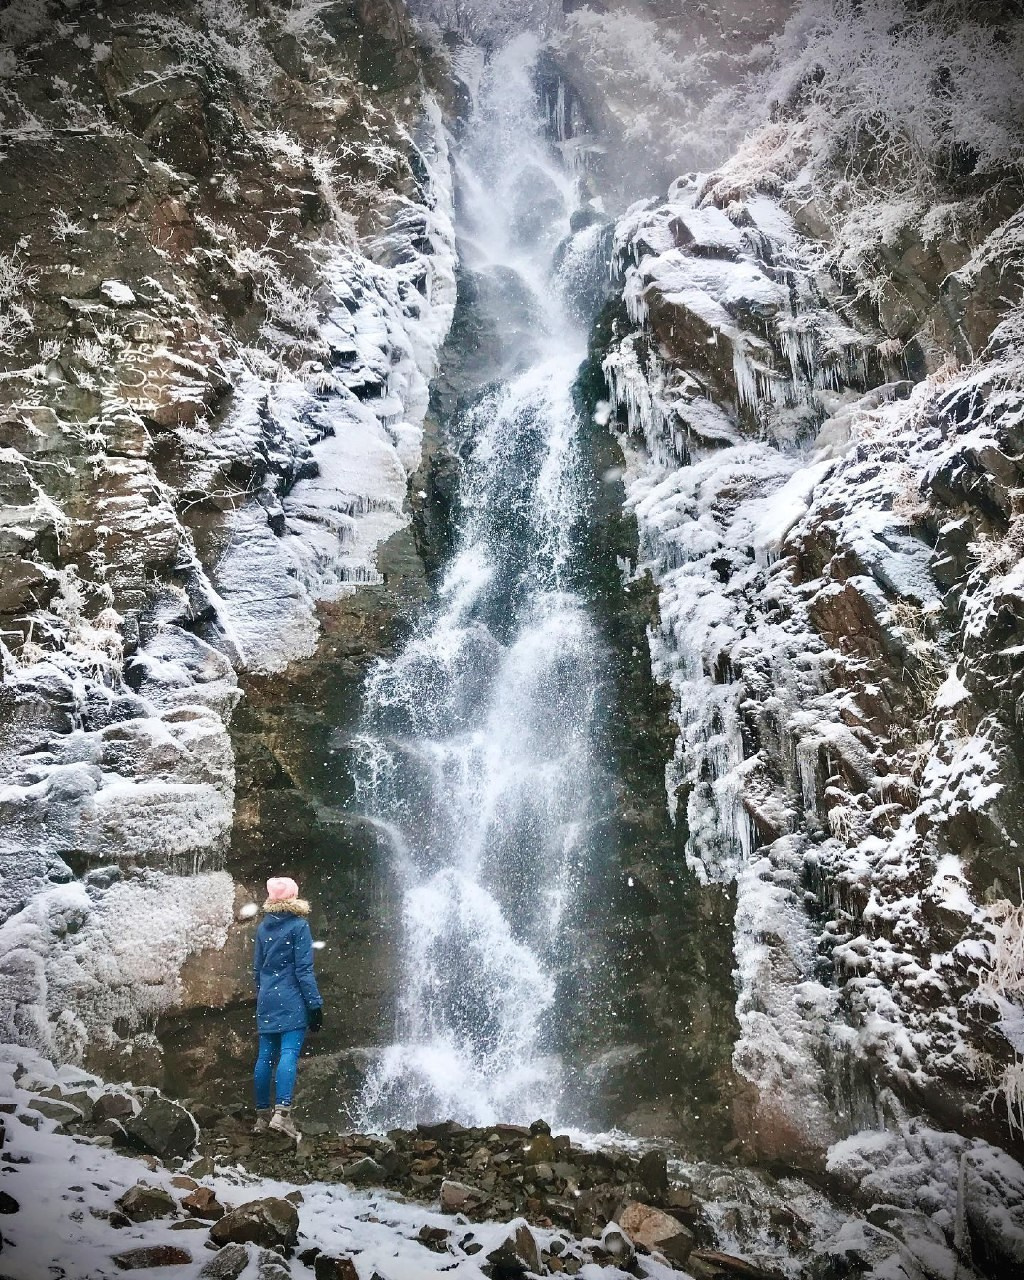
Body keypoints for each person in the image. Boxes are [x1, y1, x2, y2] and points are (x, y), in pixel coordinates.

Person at [252, 876, 323, 1140]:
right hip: (291, 997)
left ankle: (262, 1116)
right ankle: (282, 1114)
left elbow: (257, 970)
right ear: (294, 897)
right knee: (289, 1053)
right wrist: (314, 1005)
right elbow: (304, 970)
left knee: (264, 1056)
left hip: (267, 997)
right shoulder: (299, 926)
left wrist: (265, 993)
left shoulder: (263, 928)